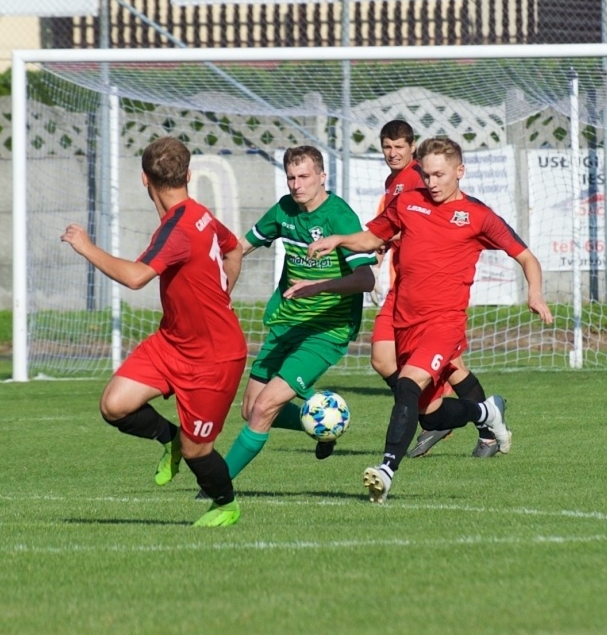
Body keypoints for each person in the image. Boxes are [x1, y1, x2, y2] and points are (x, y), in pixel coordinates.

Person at [310, 136, 553, 503]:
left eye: (440, 175)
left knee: (407, 385)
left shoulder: (478, 215)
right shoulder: (408, 202)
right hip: (402, 313)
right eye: (426, 175)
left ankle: (387, 469)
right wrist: (340, 240)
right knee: (431, 414)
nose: (432, 182)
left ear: (460, 171)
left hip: (443, 323)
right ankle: (486, 411)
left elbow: (527, 258)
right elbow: (371, 237)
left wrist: (534, 292)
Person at [61, 136, 248, 527]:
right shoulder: (200, 214)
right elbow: (232, 249)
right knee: (114, 405)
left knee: (200, 452)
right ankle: (170, 441)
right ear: (188, 175)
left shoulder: (180, 228)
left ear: (144, 180)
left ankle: (225, 504)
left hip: (214, 357)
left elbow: (135, 278)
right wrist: (225, 287)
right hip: (173, 340)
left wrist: (86, 247)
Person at [218, 145, 377, 482]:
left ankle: (217, 482)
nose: (296, 184)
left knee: (262, 409)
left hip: (326, 331)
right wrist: (219, 285)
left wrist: (318, 285)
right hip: (286, 323)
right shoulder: (284, 210)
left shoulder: (339, 216)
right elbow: (238, 248)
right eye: (291, 177)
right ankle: (321, 425)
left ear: (322, 177)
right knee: (250, 408)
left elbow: (365, 279)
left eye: (304, 176)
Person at [367, 119, 498, 460]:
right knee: (395, 362)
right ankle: (442, 415)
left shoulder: (415, 180)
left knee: (440, 366)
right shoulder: (396, 182)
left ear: (413, 148)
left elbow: (423, 227)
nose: (393, 153)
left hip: (426, 295)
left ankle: (454, 421)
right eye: (387, 146)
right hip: (406, 291)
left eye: (399, 146)